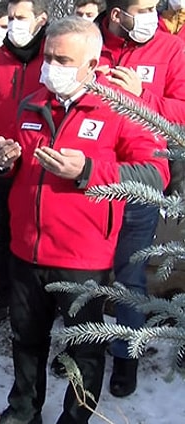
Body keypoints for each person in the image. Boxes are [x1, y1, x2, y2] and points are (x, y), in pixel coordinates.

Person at [0, 16, 170, 424]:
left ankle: (75, 418)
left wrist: (87, 170)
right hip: (26, 248)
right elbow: (12, 166)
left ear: (92, 63)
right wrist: (1, 162)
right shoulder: (32, 102)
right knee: (25, 339)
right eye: (48, 57)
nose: (50, 67)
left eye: (62, 59)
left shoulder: (120, 107)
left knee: (84, 347)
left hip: (83, 257)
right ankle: (22, 412)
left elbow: (155, 174)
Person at [82, 0, 185, 398]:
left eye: (154, 6)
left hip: (141, 179)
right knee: (83, 272)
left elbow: (180, 111)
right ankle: (82, 344)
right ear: (116, 14)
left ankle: (126, 354)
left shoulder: (170, 49)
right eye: (141, 7)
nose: (151, 15)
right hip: (88, 177)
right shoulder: (91, 44)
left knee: (129, 273)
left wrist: (141, 94)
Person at [0, 0, 48, 329]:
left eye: (20, 18)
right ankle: (5, 296)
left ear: (41, 20)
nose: (13, 25)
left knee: (41, 234)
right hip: (4, 164)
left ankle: (45, 303)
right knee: (2, 232)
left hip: (43, 166)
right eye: (10, 19)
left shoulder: (53, 57)